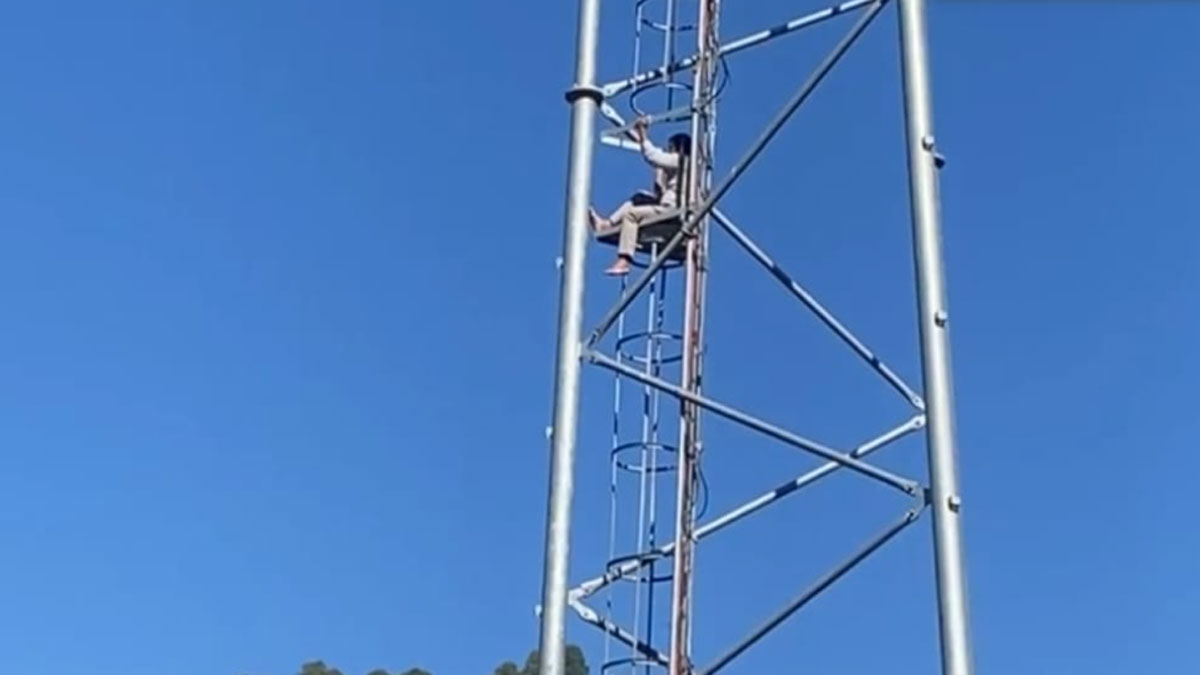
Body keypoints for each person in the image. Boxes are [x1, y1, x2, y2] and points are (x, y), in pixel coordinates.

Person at [589, 116, 691, 276]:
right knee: (639, 198)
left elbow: (653, 156)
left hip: (673, 211)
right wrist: (640, 136)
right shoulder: (683, 166)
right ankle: (607, 224)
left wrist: (643, 132)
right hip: (670, 207)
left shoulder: (683, 160)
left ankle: (624, 260)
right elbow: (653, 155)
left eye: (670, 148)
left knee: (631, 216)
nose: (668, 150)